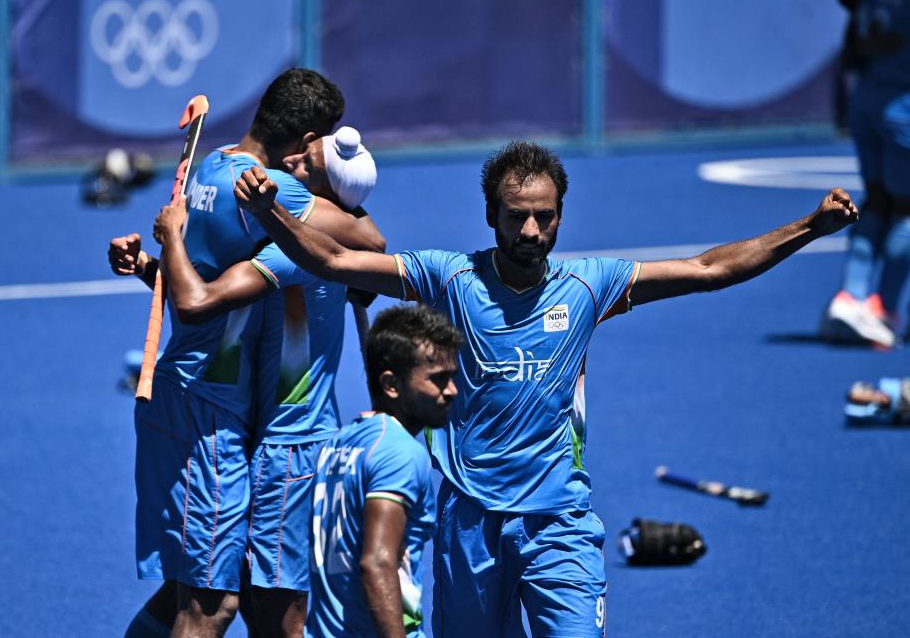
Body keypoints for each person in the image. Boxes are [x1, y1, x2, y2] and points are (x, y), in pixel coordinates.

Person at [231, 140, 859, 636]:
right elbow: (335, 263)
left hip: (560, 520)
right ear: (490, 216)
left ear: (561, 215)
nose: (531, 232)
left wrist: (810, 225)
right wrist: (271, 214)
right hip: (468, 523)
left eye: (545, 217)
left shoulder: (591, 286)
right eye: (517, 217)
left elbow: (707, 269)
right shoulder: (449, 277)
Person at [109, 69, 383, 638]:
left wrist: (152, 262)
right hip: (212, 412)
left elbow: (198, 282)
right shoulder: (270, 193)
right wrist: (172, 242)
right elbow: (371, 245)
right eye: (323, 140)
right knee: (211, 605)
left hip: (193, 397)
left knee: (200, 584)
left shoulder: (212, 166)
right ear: (307, 139)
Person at [307, 305, 461, 638]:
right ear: (391, 384)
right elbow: (377, 563)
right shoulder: (401, 454)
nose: (451, 391)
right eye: (438, 379)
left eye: (452, 377)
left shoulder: (339, 444)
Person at [820, 0, 910, 348]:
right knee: (906, 210)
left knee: (878, 200)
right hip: (902, 108)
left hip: (867, 102)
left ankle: (850, 299)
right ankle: (882, 309)